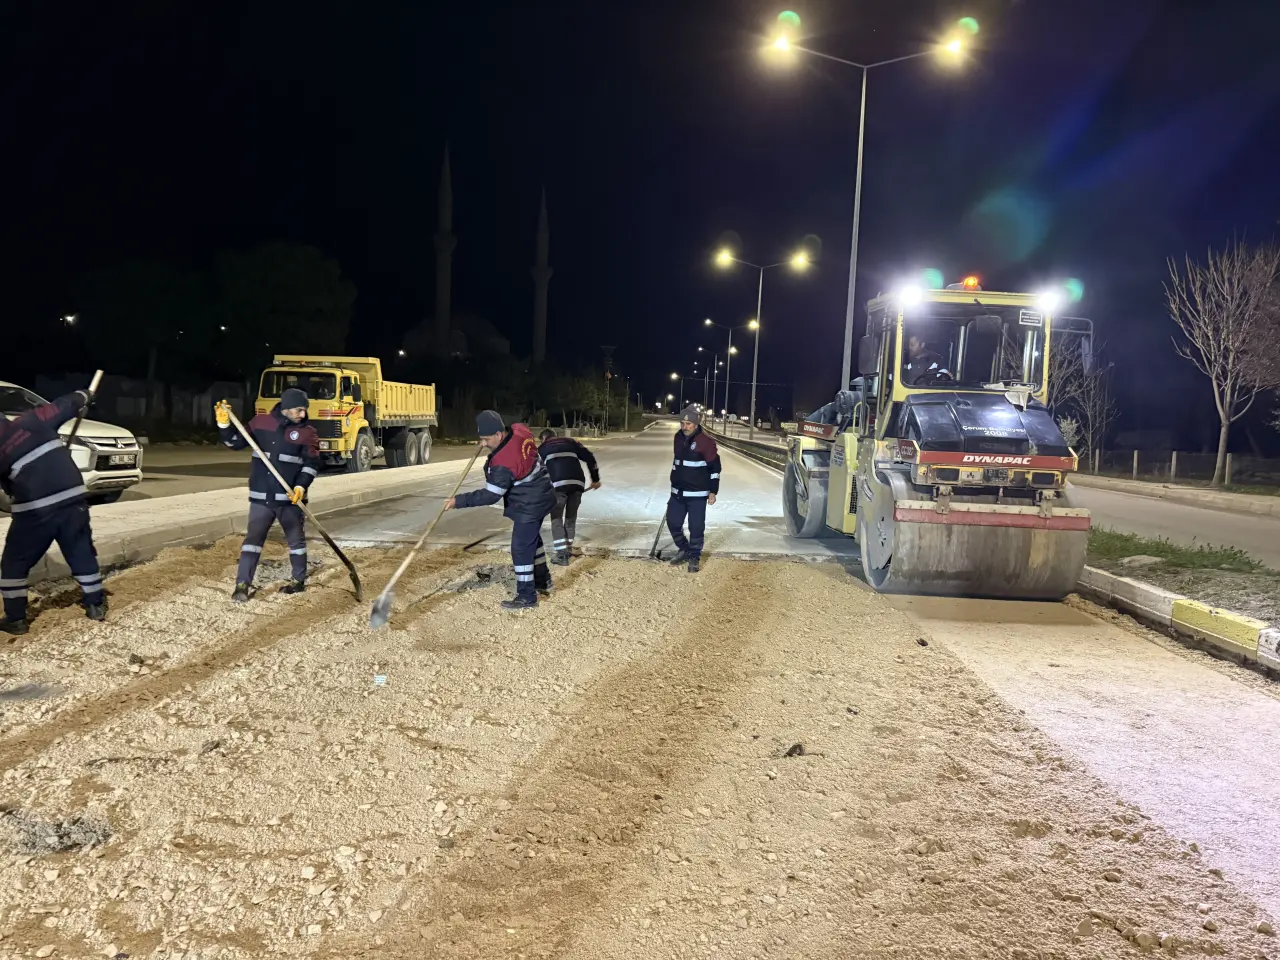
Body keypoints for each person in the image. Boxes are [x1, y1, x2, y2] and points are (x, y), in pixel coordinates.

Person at [0, 390, 106, 636]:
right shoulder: (32, 420)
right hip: (73, 499)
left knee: (14, 564)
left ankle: (16, 619)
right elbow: (65, 404)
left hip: (35, 512)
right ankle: (95, 605)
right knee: (80, 551)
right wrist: (84, 396)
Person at [215, 388, 320, 602]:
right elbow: (235, 442)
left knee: (296, 542)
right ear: (286, 407)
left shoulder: (307, 432)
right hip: (261, 497)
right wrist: (224, 425)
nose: (303, 414)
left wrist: (301, 487)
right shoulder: (261, 422)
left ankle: (298, 581)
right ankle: (242, 585)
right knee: (252, 542)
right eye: (299, 410)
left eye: (304, 410)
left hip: (289, 499)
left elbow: (312, 464)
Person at [445, 411, 555, 610]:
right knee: (531, 541)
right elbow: (515, 440)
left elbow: (491, 495)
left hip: (529, 502)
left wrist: (458, 501)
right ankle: (542, 580)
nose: (483, 443)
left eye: (486, 439)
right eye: (481, 439)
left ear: (498, 434)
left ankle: (527, 596)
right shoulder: (519, 430)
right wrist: (489, 449)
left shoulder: (504, 461)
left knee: (520, 548)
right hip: (543, 492)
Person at [666, 405, 721, 573]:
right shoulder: (678, 438)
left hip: (697, 494)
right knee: (673, 522)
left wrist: (713, 491)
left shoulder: (706, 442)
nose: (685, 427)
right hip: (677, 492)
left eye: (688, 424)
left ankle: (694, 556)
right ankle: (684, 549)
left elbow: (715, 469)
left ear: (696, 424)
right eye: (682, 423)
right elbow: (678, 463)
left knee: (696, 527)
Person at [537, 428, 600, 565]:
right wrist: (595, 479)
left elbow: (536, 471)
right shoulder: (571, 442)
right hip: (577, 484)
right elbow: (590, 457)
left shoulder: (542, 448)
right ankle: (568, 549)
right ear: (555, 435)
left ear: (543, 439)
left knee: (556, 518)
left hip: (557, 486)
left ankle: (562, 555)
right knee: (571, 518)